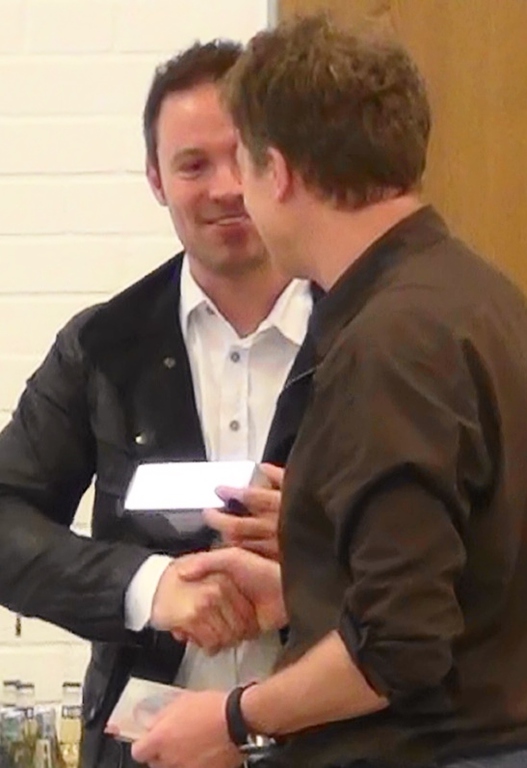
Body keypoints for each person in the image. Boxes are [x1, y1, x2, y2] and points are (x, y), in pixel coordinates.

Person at [131, 14, 527, 768]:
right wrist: (308, 587)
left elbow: (398, 647)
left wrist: (230, 718)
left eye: (243, 164)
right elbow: (466, 576)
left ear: (278, 172)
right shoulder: (483, 300)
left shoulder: (390, 343)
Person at [0, 40, 318, 768]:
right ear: (155, 179)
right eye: (192, 165)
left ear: (281, 163)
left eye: (243, 157)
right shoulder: (102, 347)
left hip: (340, 743)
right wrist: (147, 586)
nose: (225, 188)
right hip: (148, 751)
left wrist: (319, 544)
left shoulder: (369, 334)